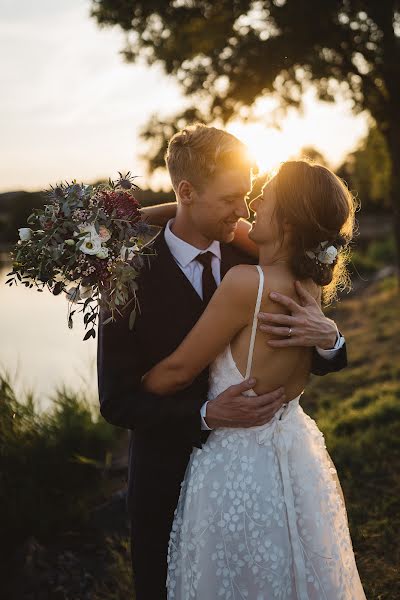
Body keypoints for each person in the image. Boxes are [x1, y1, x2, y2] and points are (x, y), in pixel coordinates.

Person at [97, 125, 347, 599]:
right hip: (163, 474)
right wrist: (205, 414)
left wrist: (331, 337)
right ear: (186, 192)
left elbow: (299, 349)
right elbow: (116, 401)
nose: (245, 210)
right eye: (231, 198)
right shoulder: (125, 277)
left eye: (251, 195)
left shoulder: (254, 255)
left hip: (254, 476)